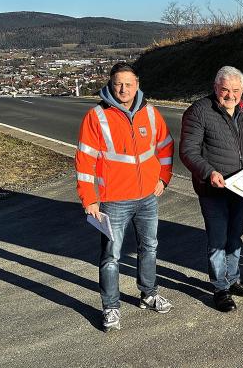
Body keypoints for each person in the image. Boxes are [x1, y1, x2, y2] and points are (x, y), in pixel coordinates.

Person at [75, 62, 175, 332]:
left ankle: (149, 293)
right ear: (110, 84)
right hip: (114, 199)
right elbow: (85, 161)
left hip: (147, 198)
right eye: (118, 83)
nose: (123, 89)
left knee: (149, 248)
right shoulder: (97, 116)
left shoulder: (151, 113)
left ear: (137, 84)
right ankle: (111, 307)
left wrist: (163, 178)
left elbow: (165, 146)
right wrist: (90, 200)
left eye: (128, 84)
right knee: (111, 256)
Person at [180, 65, 243, 313]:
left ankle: (234, 279)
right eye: (225, 90)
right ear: (216, 87)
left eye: (236, 90)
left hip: (241, 188)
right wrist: (209, 172)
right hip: (213, 189)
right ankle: (220, 288)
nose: (231, 96)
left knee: (235, 236)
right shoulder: (198, 112)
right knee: (217, 240)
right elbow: (188, 151)